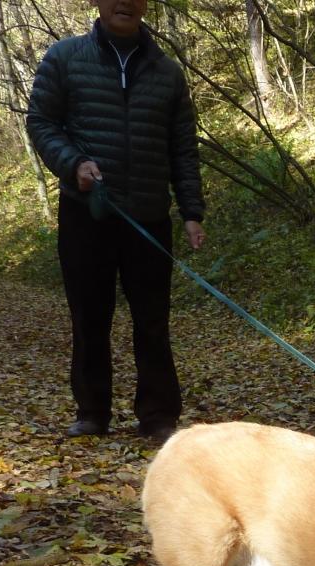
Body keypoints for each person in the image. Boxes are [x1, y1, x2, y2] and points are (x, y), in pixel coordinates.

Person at [26, 0, 205, 442]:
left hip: (149, 215)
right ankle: (92, 413)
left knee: (153, 320)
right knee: (89, 317)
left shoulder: (168, 72)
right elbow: (42, 122)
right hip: (86, 213)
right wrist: (74, 164)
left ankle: (158, 416)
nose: (125, 2)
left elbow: (183, 148)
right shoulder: (65, 57)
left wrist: (191, 212)